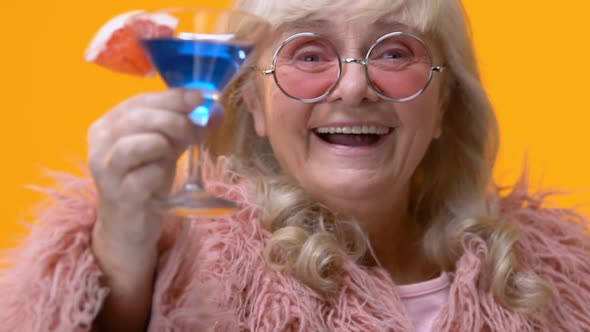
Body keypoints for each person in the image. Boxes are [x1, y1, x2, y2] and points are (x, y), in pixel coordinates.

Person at [1, 0, 589, 331]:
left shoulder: (562, 281)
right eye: (308, 53)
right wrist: (123, 256)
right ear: (254, 104)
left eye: (393, 51)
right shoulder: (194, 275)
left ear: (443, 107)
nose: (355, 86)